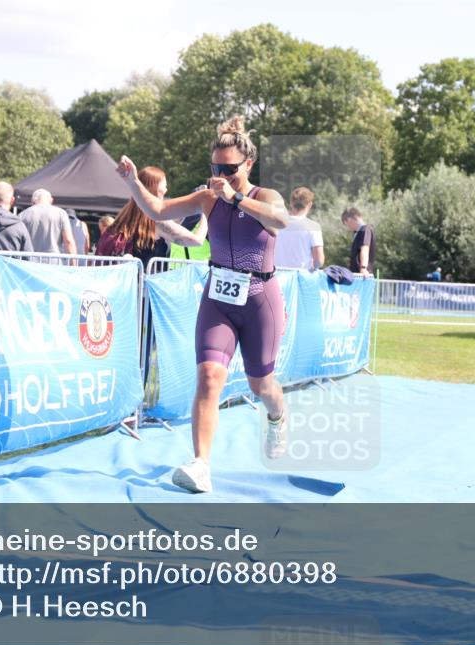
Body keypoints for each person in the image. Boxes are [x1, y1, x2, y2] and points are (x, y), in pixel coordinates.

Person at [116, 115, 291, 493]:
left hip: (261, 299)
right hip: (219, 296)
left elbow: (282, 221)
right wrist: (132, 181)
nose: (221, 176)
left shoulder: (264, 197)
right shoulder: (208, 196)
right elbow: (159, 211)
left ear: (247, 165)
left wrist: (239, 199)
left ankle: (278, 416)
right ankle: (201, 464)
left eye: (229, 169)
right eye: (215, 168)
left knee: (261, 386)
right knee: (210, 377)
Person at [97, 166, 207, 268]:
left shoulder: (125, 216)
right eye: (165, 186)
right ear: (156, 189)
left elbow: (176, 221)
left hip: (126, 286)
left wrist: (196, 198)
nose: (166, 190)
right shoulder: (156, 221)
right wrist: (206, 210)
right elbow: (197, 241)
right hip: (148, 285)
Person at [273, 186, 324, 270]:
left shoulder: (277, 224)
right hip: (301, 276)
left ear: (291, 203)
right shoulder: (314, 227)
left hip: (278, 275)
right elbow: (319, 261)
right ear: (310, 204)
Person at [19, 189, 77, 262]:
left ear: (32, 201)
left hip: (30, 262)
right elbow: (68, 241)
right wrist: (73, 264)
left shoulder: (22, 215)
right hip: (54, 262)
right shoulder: (61, 213)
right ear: (51, 200)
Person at [341, 207, 375, 277]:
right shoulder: (357, 233)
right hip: (356, 274)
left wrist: (363, 268)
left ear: (350, 220)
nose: (348, 228)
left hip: (362, 275)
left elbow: (365, 248)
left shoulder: (365, 229)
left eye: (346, 224)